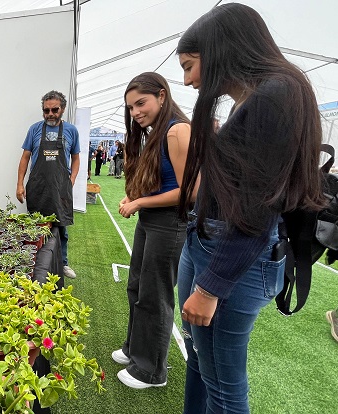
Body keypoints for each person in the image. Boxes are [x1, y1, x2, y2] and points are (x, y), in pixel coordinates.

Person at [176, 4, 324, 413]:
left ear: (220, 49)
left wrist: (210, 287)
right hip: (211, 244)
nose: (187, 81)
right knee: (201, 364)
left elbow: (258, 207)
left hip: (232, 257)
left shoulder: (276, 95)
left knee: (223, 386)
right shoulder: (264, 95)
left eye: (190, 66)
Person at [113, 72, 191, 389]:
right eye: (131, 108)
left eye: (140, 103)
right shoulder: (155, 133)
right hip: (152, 220)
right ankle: (136, 351)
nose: (135, 113)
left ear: (162, 96)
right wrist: (136, 198)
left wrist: (140, 201)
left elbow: (189, 192)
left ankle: (152, 371)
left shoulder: (177, 131)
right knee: (137, 287)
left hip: (170, 224)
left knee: (156, 295)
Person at [16, 90, 80, 279]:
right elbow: (25, 157)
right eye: (46, 111)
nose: (50, 114)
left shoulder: (71, 131)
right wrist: (20, 184)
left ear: (63, 109)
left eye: (54, 110)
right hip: (38, 186)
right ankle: (33, 262)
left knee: (61, 227)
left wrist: (72, 179)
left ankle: (64, 263)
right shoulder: (34, 130)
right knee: (36, 225)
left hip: (60, 187)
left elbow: (76, 158)